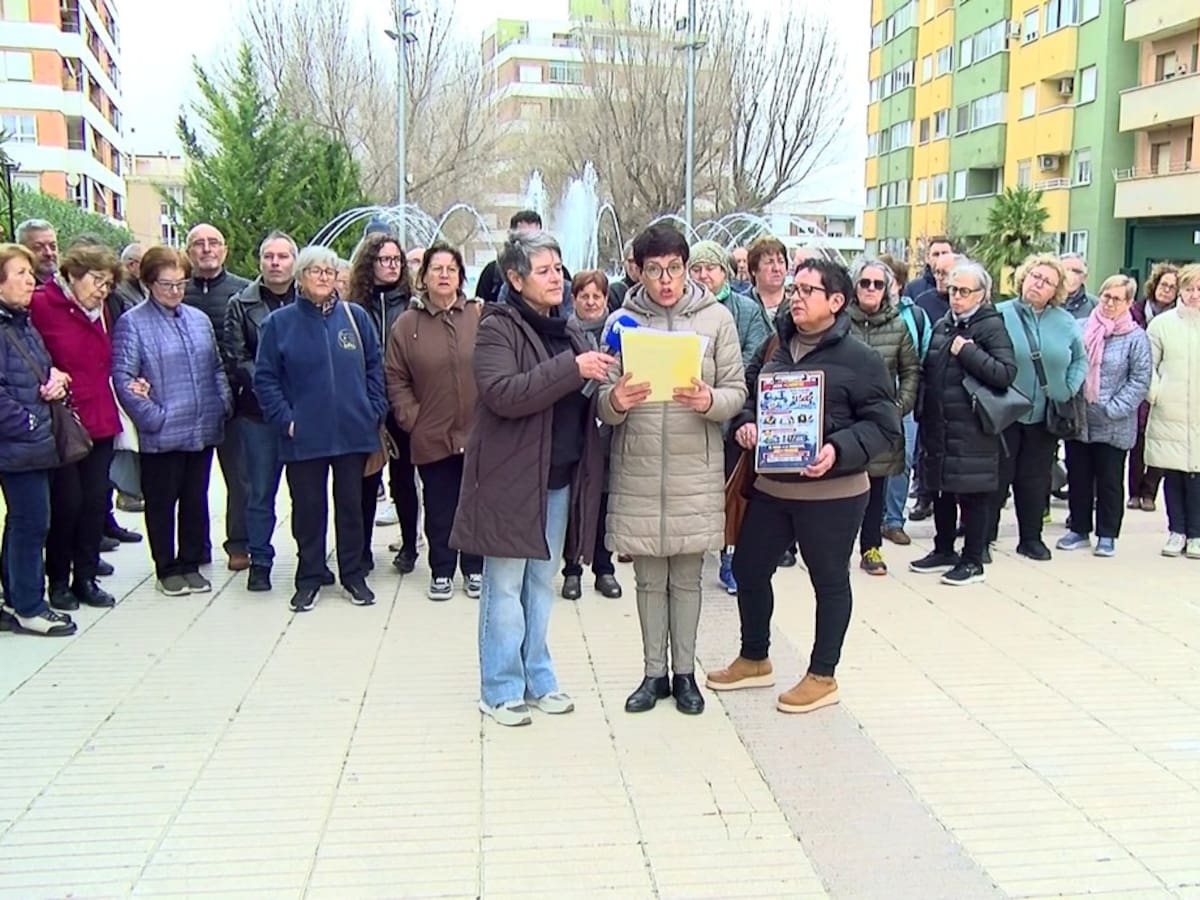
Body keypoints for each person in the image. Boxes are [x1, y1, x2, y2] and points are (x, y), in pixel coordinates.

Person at [707, 258, 899, 714]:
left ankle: (822, 675)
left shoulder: (861, 359)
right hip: (774, 489)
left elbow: (885, 427)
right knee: (750, 570)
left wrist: (837, 449)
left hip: (832, 494)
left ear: (836, 302)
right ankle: (754, 657)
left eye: (809, 290)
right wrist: (747, 423)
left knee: (829, 581)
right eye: (795, 288)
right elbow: (749, 398)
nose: (796, 296)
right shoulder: (777, 348)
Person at [451, 229, 610, 727]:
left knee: (541, 583)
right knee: (504, 585)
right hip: (509, 478)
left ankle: (539, 677)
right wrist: (573, 368)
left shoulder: (568, 330)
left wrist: (612, 386)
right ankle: (499, 688)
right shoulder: (497, 327)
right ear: (516, 279)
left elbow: (579, 392)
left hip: (559, 476)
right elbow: (504, 393)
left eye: (558, 269)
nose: (556, 279)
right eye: (543, 271)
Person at [599, 223, 747, 717]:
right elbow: (600, 400)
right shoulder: (621, 320)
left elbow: (737, 392)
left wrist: (710, 400)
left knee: (686, 579)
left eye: (675, 269)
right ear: (639, 271)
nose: (666, 280)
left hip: (693, 468)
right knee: (647, 580)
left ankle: (685, 674)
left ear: (687, 269)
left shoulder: (715, 319)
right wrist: (615, 401)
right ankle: (652, 674)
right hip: (638, 466)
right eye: (655, 270)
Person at [255, 245, 389, 613]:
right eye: (315, 271)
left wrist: (373, 409)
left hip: (352, 430)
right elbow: (265, 379)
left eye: (329, 272)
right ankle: (310, 576)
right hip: (304, 435)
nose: (323, 277)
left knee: (352, 506)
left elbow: (375, 367)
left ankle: (353, 574)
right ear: (300, 278)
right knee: (308, 509)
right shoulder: (279, 324)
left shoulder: (355, 317)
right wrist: (287, 419)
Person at [112, 246, 232, 597]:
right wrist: (154, 418)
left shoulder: (197, 319)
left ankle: (191, 561)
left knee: (195, 498)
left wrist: (221, 402)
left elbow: (216, 366)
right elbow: (123, 378)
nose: (176, 291)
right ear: (149, 282)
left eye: (181, 283)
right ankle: (167, 567)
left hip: (202, 425)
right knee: (162, 502)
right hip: (162, 431)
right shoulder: (133, 323)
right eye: (167, 284)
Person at [385, 243, 484, 602]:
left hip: (477, 431)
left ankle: (474, 568)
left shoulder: (477, 316)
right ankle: (442, 569)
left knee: (473, 504)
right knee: (440, 506)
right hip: (432, 432)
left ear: (460, 277)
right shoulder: (407, 324)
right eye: (436, 269)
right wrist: (411, 417)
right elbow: (395, 377)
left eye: (451, 269)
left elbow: (495, 366)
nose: (444, 275)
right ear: (423, 276)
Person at [909, 260, 1018, 584]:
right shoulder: (944, 323)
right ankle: (944, 548)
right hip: (940, 424)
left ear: (982, 295)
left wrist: (968, 351)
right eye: (953, 290)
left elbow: (1005, 373)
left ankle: (973, 559)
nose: (956, 297)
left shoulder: (990, 326)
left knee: (974, 494)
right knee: (941, 488)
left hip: (973, 428)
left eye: (964, 291)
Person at [29, 242, 124, 611]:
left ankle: (85, 576)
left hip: (99, 418)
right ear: (72, 274)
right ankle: (58, 580)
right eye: (97, 280)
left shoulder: (102, 310)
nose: (103, 289)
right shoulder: (42, 304)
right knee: (67, 504)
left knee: (94, 502)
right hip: (63, 421)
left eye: (109, 283)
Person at [985, 254, 1087, 560]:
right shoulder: (999, 314)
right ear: (1023, 278)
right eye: (1034, 277)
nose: (1038, 284)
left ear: (1056, 290)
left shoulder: (1066, 322)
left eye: (1047, 282)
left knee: (1035, 479)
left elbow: (1081, 359)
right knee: (997, 479)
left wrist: (1068, 387)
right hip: (1005, 412)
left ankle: (1030, 538)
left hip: (1045, 413)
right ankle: (984, 538)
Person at [687, 240, 772, 595]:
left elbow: (753, 361)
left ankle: (729, 557)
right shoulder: (681, 309)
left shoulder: (747, 311)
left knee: (734, 493)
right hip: (691, 413)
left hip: (735, 415)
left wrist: (724, 392)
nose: (704, 275)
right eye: (697, 268)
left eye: (712, 268)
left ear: (725, 272)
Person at [0, 243, 76, 636]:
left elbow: (37, 369)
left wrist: (56, 380)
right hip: (19, 443)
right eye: (19, 274)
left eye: (30, 273)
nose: (30, 281)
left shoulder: (21, 322)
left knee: (21, 522)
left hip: (34, 439)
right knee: (32, 523)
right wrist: (30, 422)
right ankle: (30, 606)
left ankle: (13, 598)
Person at [221, 230, 298, 592]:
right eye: (269, 256)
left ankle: (310, 561)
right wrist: (273, 391)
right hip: (257, 414)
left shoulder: (310, 301)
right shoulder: (241, 304)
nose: (276, 263)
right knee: (259, 492)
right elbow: (237, 359)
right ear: (260, 262)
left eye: (282, 257)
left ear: (294, 262)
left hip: (303, 415)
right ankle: (260, 562)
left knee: (306, 494)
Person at [1055, 275, 1151, 557]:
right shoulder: (1082, 327)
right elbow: (1069, 362)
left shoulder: (1135, 337)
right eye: (1106, 296)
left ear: (1128, 303)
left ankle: (1107, 534)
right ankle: (1079, 529)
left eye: (1117, 298)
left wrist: (1114, 408)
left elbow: (1140, 380)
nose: (1109, 303)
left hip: (1113, 423)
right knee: (1079, 475)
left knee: (1109, 481)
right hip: (1080, 418)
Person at [347, 231, 420, 573]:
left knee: (403, 479)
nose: (392, 266)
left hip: (403, 403)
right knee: (364, 480)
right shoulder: (353, 306)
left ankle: (409, 545)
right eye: (384, 260)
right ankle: (360, 550)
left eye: (396, 260)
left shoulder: (411, 304)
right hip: (363, 405)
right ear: (369, 263)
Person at [182, 224, 250, 571]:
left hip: (234, 403)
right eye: (198, 244)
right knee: (191, 483)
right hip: (186, 404)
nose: (206, 249)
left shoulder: (243, 291)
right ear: (188, 251)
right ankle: (194, 549)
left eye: (213, 243)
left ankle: (238, 544)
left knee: (239, 478)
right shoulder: (177, 291)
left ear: (225, 250)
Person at [846, 258, 920, 575]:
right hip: (842, 419)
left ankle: (871, 548)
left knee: (876, 487)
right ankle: (834, 548)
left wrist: (898, 407)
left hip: (878, 421)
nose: (871, 289)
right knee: (840, 487)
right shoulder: (839, 321)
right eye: (865, 283)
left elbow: (911, 370)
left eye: (878, 284)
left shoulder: (898, 324)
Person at [559, 270, 622, 601]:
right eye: (584, 296)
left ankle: (604, 567)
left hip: (610, 431)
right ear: (574, 300)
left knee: (604, 501)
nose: (591, 301)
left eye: (597, 296)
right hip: (575, 428)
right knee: (574, 501)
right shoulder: (564, 334)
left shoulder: (619, 334)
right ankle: (571, 570)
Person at [1145, 263, 1200, 558]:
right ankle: (1176, 530)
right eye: (1189, 289)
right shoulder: (1162, 325)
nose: (1194, 295)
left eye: (1199, 289)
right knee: (1174, 473)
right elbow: (1148, 366)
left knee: (1198, 476)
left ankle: (1197, 533)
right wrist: (1156, 394)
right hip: (1170, 410)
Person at [1128, 263, 1179, 511]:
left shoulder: (1178, 319)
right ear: (1154, 285)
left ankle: (1149, 492)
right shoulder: (1135, 312)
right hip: (1137, 381)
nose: (1166, 290)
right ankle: (1134, 492)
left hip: (1167, 384)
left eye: (1172, 287)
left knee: (1159, 439)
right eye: (1164, 285)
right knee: (1137, 439)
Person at [475, 210, 546, 304]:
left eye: (535, 238)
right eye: (524, 238)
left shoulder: (556, 273)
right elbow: (479, 312)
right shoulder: (492, 273)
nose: (530, 244)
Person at [901, 236, 955, 303]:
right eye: (936, 254)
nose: (941, 258)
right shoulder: (913, 289)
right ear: (927, 258)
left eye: (945, 253)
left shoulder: (961, 287)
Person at [745, 235, 789, 317]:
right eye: (769, 262)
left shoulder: (797, 304)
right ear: (754, 269)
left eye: (781, 261)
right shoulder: (740, 306)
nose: (776, 268)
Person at [15, 219, 58, 285]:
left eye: (53, 246)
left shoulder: (69, 284)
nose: (49, 253)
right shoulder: (15, 288)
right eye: (38, 248)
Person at [1061, 253, 1098, 321]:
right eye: (1065, 270)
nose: (1070, 275)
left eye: (1076, 271)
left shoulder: (1095, 306)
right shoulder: (1045, 300)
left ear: (1085, 277)